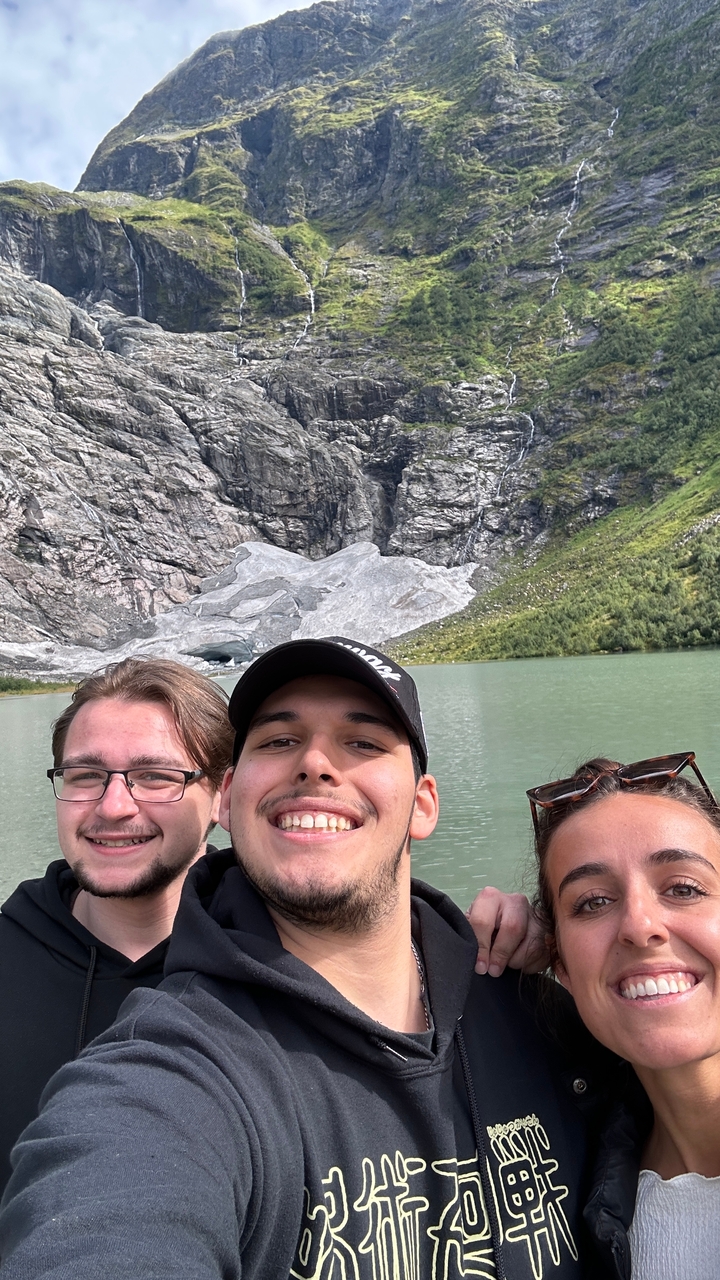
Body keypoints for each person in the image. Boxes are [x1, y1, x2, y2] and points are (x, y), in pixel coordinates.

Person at [0, 636, 613, 1280]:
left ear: (423, 803)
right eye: (278, 740)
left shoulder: (539, 1011)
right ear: (231, 801)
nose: (316, 763)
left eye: (364, 742)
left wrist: (581, 941)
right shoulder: (173, 1071)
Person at [0, 657, 234, 1191]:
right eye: (85, 776)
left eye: (155, 776)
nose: (113, 807)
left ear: (223, 793)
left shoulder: (286, 957)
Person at [526, 752, 720, 1280]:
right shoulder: (570, 1191)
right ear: (559, 961)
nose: (640, 926)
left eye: (684, 888)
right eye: (592, 903)